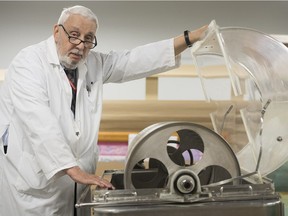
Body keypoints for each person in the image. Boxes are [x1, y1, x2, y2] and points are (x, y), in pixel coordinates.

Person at [0, 5, 207, 216]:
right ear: (56, 31)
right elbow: (39, 123)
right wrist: (73, 169)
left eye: (88, 38)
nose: (81, 45)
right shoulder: (28, 64)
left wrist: (190, 38)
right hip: (36, 189)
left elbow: (132, 61)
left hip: (77, 184)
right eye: (74, 35)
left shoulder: (91, 62)